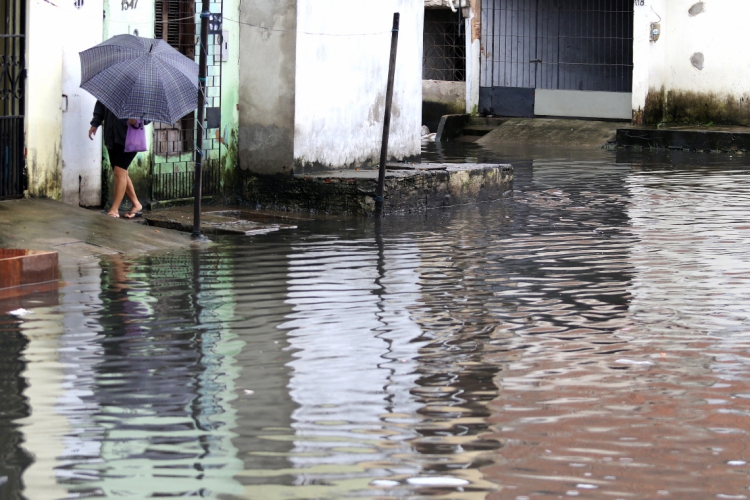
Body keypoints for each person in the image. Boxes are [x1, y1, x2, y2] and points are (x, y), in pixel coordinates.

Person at [88, 100, 144, 219]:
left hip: (130, 139)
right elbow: (101, 104)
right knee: (120, 173)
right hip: (112, 136)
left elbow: (147, 116)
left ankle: (114, 209)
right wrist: (95, 123)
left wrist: (137, 120)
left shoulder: (139, 93)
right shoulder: (113, 88)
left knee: (120, 171)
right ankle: (136, 204)